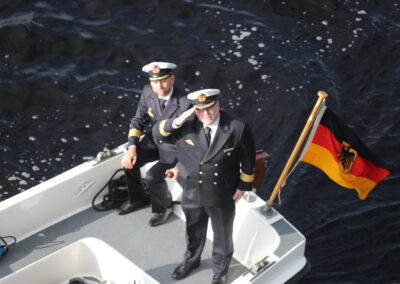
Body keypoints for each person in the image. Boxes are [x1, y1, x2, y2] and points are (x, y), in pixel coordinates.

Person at [152, 89, 256, 284]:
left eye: (210, 108)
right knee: (193, 230)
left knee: (223, 235)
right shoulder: (185, 125)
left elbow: (248, 160)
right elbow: (157, 134)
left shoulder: (236, 127)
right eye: (201, 110)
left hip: (221, 192)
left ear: (218, 105)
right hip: (191, 189)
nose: (206, 114)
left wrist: (243, 186)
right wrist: (177, 121)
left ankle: (220, 271)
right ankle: (191, 261)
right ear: (194, 111)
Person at [118, 61, 191, 228]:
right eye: (154, 82)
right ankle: (138, 199)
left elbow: (190, 139)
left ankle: (164, 207)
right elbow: (138, 121)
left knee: (153, 176)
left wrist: (180, 164)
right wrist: (132, 148)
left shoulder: (186, 102)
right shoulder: (147, 92)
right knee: (130, 163)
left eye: (163, 80)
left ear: (172, 79)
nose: (159, 86)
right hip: (154, 141)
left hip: (175, 148)